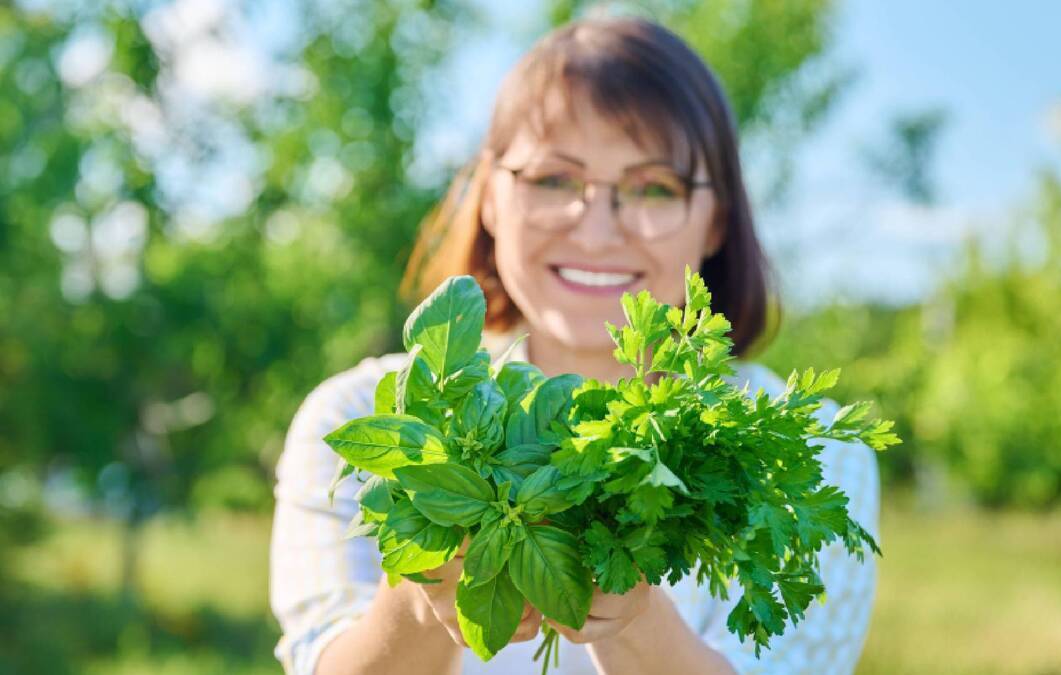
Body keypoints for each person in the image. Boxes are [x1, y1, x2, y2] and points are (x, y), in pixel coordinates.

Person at [270, 16, 879, 675]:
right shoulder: (366, 417)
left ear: (716, 220)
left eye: (653, 188)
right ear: (491, 196)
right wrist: (422, 601)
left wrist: (637, 622)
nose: (595, 230)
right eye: (555, 180)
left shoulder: (808, 446)